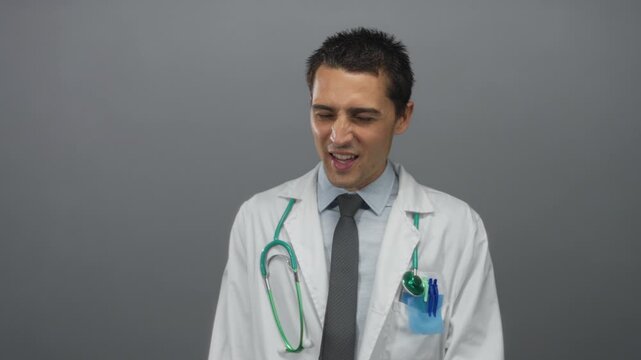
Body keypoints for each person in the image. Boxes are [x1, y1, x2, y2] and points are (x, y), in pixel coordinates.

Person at [208, 27, 503, 360]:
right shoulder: (259, 219)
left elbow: (476, 351)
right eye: (324, 114)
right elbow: (231, 348)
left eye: (362, 117)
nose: (338, 136)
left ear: (403, 116)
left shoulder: (455, 227)